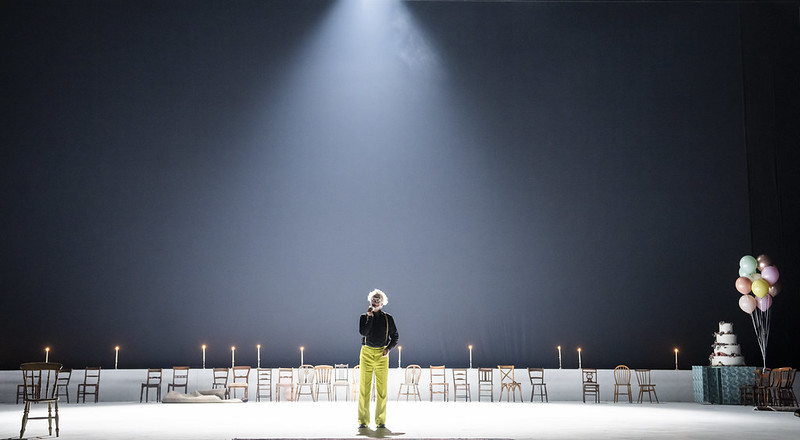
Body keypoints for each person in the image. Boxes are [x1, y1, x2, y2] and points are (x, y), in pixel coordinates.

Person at [358, 289, 399, 429]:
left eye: (378, 300)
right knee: (364, 388)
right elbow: (363, 332)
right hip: (366, 353)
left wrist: (388, 349)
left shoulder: (388, 318)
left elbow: (395, 336)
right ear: (370, 301)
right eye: (373, 299)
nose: (375, 302)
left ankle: (381, 421)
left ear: (382, 303)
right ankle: (363, 421)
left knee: (382, 389)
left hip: (382, 354)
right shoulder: (364, 317)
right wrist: (369, 317)